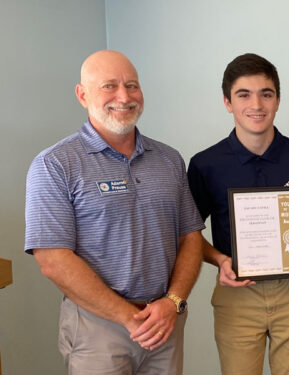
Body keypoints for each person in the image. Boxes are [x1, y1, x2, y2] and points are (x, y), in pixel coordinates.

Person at [25, 50, 205, 375]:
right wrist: (126, 316)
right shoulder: (54, 165)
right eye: (109, 86)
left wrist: (172, 301)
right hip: (98, 328)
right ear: (83, 95)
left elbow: (190, 237)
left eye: (132, 86)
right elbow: (52, 259)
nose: (124, 96)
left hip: (164, 322)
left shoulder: (169, 160)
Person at [187, 53, 289, 375]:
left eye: (266, 93)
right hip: (236, 291)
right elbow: (190, 234)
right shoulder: (205, 165)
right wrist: (219, 260)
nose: (257, 104)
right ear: (227, 102)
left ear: (278, 100)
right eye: (243, 94)